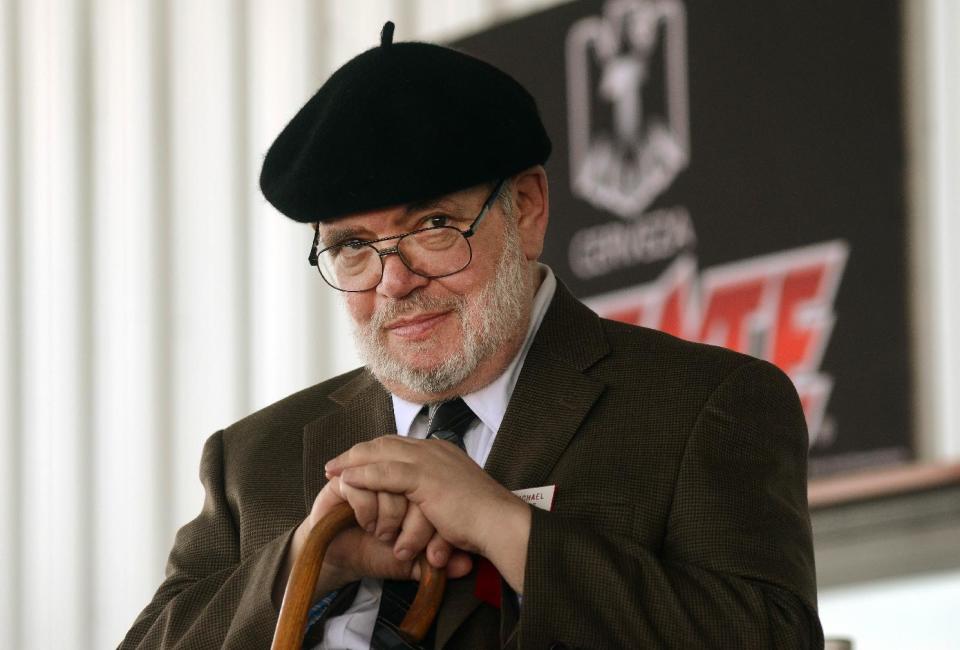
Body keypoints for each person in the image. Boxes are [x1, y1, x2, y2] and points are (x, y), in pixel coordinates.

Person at [121, 22, 823, 650]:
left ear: (526, 209)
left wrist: (507, 529)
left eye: (432, 226)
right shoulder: (254, 461)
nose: (394, 283)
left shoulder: (704, 407)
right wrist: (310, 560)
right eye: (354, 247)